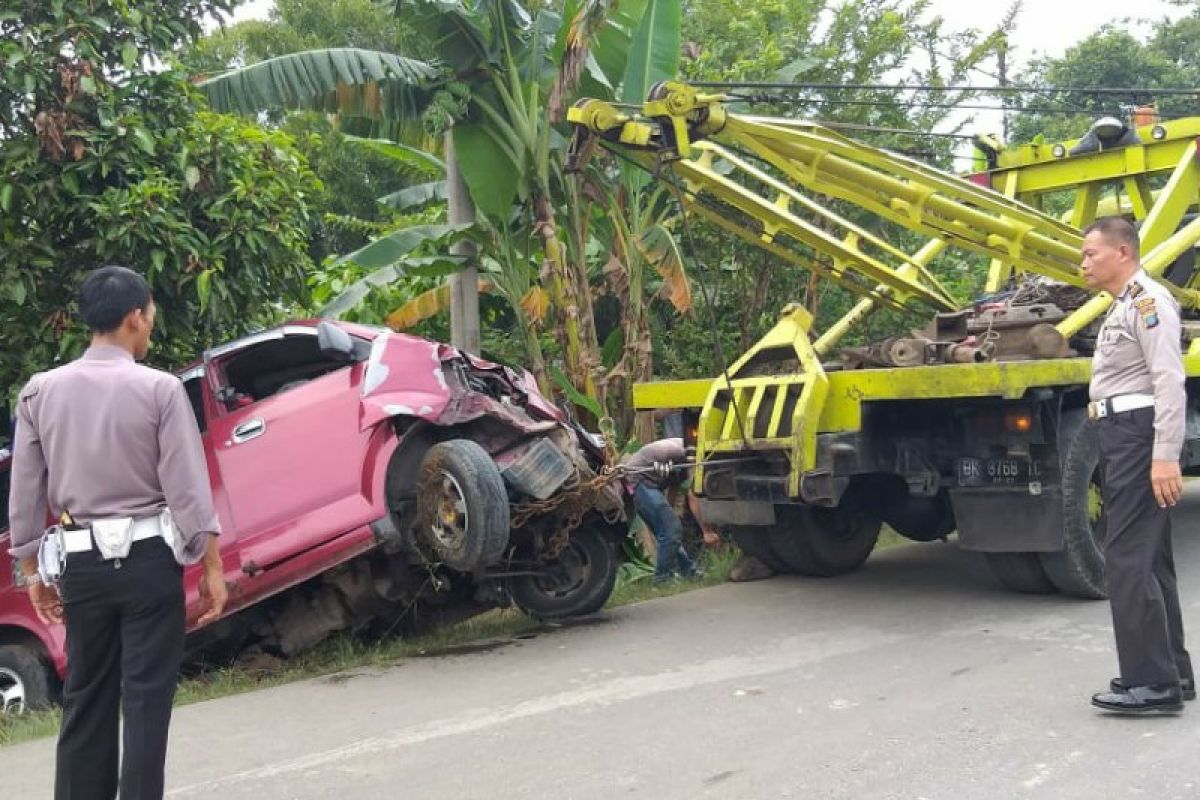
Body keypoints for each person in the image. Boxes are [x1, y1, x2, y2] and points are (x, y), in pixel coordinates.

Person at [7, 266, 228, 798]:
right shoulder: (160, 390)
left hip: (82, 569)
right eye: (150, 317)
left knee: (86, 697)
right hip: (150, 563)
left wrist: (32, 571)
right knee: (146, 700)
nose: (150, 327)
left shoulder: (39, 393)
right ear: (135, 317)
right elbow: (188, 491)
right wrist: (212, 566)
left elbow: (24, 495)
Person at [1080, 217, 1194, 715]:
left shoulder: (1149, 303)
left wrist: (1165, 455)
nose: (1083, 263)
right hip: (1122, 434)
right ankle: (1173, 672)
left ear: (1123, 252)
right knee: (1150, 558)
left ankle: (1151, 683)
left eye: (1091, 253)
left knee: (1125, 557)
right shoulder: (1125, 306)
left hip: (1136, 435)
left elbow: (1169, 381)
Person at [622, 437, 719, 583]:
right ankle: (662, 579)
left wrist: (669, 511)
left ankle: (688, 572)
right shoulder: (691, 454)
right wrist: (707, 532)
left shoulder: (685, 451)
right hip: (639, 481)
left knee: (669, 531)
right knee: (671, 530)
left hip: (642, 483)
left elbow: (673, 485)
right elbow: (693, 496)